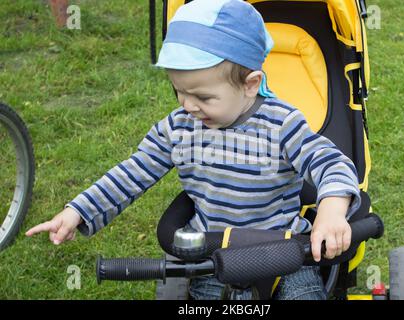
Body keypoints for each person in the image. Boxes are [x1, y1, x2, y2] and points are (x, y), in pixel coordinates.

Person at [26, 0, 361, 300]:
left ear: (250, 84)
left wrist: (331, 209)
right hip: (211, 253)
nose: (188, 105)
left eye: (203, 97)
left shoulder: (281, 124)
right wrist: (78, 212)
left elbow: (330, 162)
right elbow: (131, 174)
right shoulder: (178, 128)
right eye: (179, 92)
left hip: (283, 251)